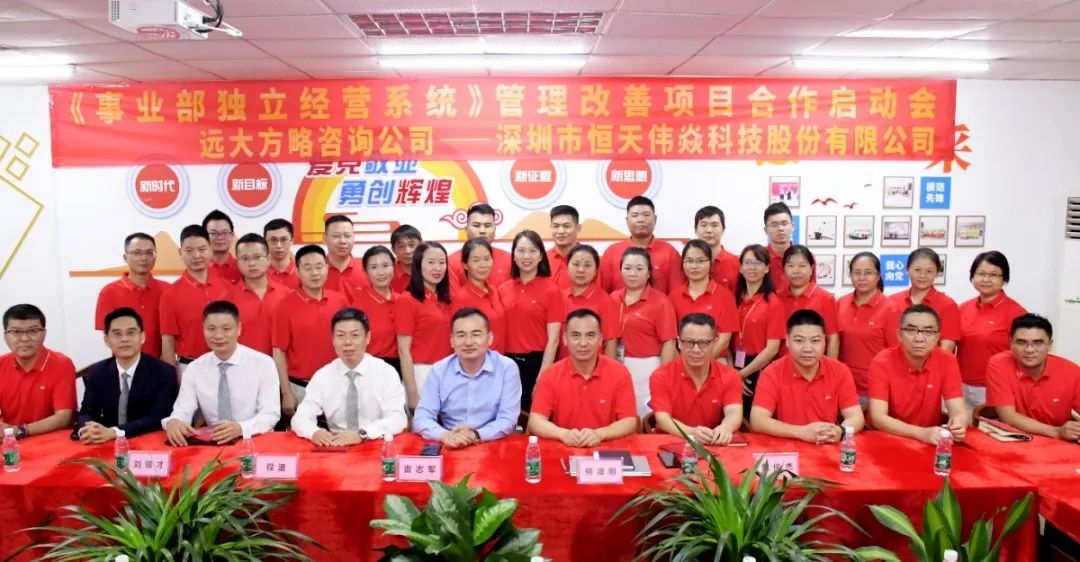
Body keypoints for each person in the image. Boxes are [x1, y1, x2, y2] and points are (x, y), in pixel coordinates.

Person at [163, 301, 280, 446]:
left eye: (226, 329)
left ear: (239, 329)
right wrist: (175, 421)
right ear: (203, 329)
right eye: (211, 329)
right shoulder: (195, 368)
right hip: (214, 443)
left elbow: (270, 414)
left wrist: (241, 428)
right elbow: (183, 409)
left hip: (256, 440)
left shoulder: (263, 363)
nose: (218, 336)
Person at [291, 308, 407, 446]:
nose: (347, 342)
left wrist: (363, 433)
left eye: (355, 335)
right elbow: (300, 417)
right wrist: (314, 432)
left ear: (367, 337)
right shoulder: (323, 376)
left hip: (374, 443)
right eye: (340, 335)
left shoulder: (386, 372)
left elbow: (398, 418)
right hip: (337, 446)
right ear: (333, 339)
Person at [413, 308, 522, 448]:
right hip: (451, 442)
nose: (468, 342)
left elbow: (508, 419)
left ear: (490, 338)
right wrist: (445, 435)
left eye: (476, 334)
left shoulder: (507, 368)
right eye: (461, 335)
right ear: (452, 341)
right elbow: (421, 417)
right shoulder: (439, 370)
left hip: (493, 443)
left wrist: (476, 434)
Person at [750, 310, 864, 443]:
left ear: (824, 342)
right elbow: (757, 420)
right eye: (799, 340)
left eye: (815, 341)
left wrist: (840, 431)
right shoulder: (772, 373)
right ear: (787, 341)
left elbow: (856, 416)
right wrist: (801, 432)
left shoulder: (840, 371)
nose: (807, 348)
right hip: (787, 446)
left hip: (827, 445)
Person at [528, 309, 637, 447]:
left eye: (590, 335)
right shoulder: (550, 375)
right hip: (563, 448)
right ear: (565, 339)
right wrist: (563, 434)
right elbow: (535, 421)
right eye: (576, 335)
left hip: (606, 449)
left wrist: (600, 434)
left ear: (600, 339)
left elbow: (629, 421)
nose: (583, 343)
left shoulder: (620, 373)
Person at [75, 308, 178, 443]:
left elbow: (157, 418)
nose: (124, 339)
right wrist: (87, 429)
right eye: (117, 334)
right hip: (105, 442)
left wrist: (114, 432)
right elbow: (86, 412)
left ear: (142, 337)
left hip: (146, 442)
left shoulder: (163, 372)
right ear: (106, 340)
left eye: (131, 333)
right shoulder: (98, 371)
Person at [868, 304, 967, 445]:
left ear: (937, 337)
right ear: (899, 335)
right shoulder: (882, 361)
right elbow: (878, 418)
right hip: (890, 438)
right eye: (911, 330)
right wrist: (921, 433)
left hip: (930, 440)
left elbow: (958, 411)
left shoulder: (947, 360)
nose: (919, 338)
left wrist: (958, 424)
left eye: (928, 332)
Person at [272, 245, 350, 416]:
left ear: (327, 268)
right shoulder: (285, 305)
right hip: (301, 387)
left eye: (319, 266)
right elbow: (279, 351)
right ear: (298, 272)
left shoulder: (340, 300)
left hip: (339, 384)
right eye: (307, 268)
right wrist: (286, 392)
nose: (315, 273)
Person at [649, 313, 743, 445]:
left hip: (714, 442)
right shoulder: (661, 376)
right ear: (679, 343)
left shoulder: (730, 376)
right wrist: (691, 432)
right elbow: (663, 419)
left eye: (703, 343)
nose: (696, 350)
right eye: (689, 342)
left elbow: (734, 412)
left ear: (714, 342)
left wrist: (726, 427)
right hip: (673, 442)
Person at [986, 314, 1080, 440]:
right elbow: (1008, 417)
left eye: (1038, 343)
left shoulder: (1071, 371)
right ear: (1011, 343)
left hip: (1058, 444)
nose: (1029, 350)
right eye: (1021, 342)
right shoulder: (999, 364)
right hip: (1014, 440)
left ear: (1050, 344)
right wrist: (1057, 432)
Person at [498, 230, 563, 410]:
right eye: (521, 251)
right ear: (513, 255)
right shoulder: (502, 289)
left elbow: (554, 340)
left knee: (533, 417)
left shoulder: (552, 291)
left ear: (541, 255)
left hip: (537, 363)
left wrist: (543, 376)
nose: (526, 256)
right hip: (506, 363)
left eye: (532, 251)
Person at [611, 247, 677, 416]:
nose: (633, 273)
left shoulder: (661, 302)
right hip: (617, 365)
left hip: (648, 368)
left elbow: (669, 342)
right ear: (620, 270)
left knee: (645, 416)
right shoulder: (612, 298)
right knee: (621, 416)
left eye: (639, 269)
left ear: (649, 273)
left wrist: (664, 376)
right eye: (627, 268)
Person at [957, 251, 1026, 410]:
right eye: (981, 273)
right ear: (972, 275)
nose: (986, 279)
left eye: (993, 275)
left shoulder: (1016, 313)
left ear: (1004, 278)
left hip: (994, 388)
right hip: (960, 386)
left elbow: (1024, 356)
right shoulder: (963, 308)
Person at [0, 304, 76, 439]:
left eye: (33, 331)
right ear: (5, 336)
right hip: (10, 440)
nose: (24, 338)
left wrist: (19, 430)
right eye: (16, 332)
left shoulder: (62, 364)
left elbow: (63, 418)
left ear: (44, 334)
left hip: (52, 440)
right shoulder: (1, 364)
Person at [160, 225, 229, 369]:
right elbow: (167, 339)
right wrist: (170, 377)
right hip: (189, 366)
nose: (196, 256)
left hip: (226, 364)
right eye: (189, 251)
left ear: (210, 249)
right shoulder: (170, 294)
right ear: (180, 252)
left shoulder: (227, 287)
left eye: (202, 249)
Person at [396, 241, 454, 409]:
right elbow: (403, 350)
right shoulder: (407, 300)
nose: (437, 268)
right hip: (421, 374)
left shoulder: (446, 299)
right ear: (418, 264)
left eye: (442, 262)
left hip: (449, 372)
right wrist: (412, 393)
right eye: (431, 262)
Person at [94, 232, 169, 358]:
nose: (143, 258)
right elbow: (110, 335)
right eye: (137, 253)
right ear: (125, 257)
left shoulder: (167, 290)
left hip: (160, 364)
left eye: (149, 253)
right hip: (124, 363)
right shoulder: (109, 292)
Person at [837, 252, 898, 403]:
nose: (862, 277)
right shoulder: (841, 303)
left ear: (878, 276)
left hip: (873, 389)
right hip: (843, 385)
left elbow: (896, 353)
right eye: (857, 273)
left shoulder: (890, 308)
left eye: (868, 273)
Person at [732, 244, 786, 414]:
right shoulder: (736, 300)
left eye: (758, 263)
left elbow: (772, 348)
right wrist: (733, 373)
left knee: (755, 417)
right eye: (748, 263)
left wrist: (742, 374)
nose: (752, 268)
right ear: (741, 268)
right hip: (734, 364)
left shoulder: (774, 303)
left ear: (767, 268)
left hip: (760, 368)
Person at [669, 240, 738, 360]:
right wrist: (685, 364)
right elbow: (670, 338)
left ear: (711, 263)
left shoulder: (725, 296)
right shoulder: (674, 296)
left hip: (715, 359)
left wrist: (700, 362)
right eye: (689, 261)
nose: (694, 266)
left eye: (700, 261)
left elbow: (724, 340)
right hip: (682, 361)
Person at [600, 196, 683, 294]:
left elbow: (676, 293)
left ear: (655, 219)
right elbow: (602, 293)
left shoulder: (669, 252)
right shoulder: (611, 252)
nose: (641, 220)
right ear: (627, 220)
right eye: (635, 215)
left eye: (646, 215)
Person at [223, 234, 288, 356]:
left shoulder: (287, 294)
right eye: (245, 258)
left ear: (268, 259)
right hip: (243, 364)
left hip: (281, 364)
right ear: (237, 262)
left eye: (257, 257)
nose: (252, 263)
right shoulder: (226, 299)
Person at [889, 248, 960, 352]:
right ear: (907, 269)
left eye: (929, 271)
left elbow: (947, 347)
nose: (922, 275)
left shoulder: (948, 305)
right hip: (894, 361)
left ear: (937, 272)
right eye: (917, 270)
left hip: (932, 362)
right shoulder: (892, 301)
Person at [777, 245, 839, 358]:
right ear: (784, 269)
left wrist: (830, 367)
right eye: (790, 266)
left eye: (802, 266)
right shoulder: (777, 297)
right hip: (782, 364)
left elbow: (833, 338)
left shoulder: (825, 298)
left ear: (811, 268)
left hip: (813, 363)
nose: (796, 271)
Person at [350, 246, 401, 373]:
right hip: (368, 366)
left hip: (400, 366)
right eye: (373, 267)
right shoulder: (358, 303)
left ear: (394, 267)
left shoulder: (402, 301)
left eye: (385, 265)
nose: (381, 272)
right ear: (365, 272)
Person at [560, 244, 617, 358]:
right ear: (567, 267)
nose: (581, 270)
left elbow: (610, 344)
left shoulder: (606, 301)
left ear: (596, 271)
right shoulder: (559, 298)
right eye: (576, 264)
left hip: (594, 366)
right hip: (563, 365)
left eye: (587, 265)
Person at [452, 238, 507, 352]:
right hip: (478, 360)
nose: (483, 265)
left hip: (499, 359)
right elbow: (459, 340)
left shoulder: (493, 291)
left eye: (487, 259)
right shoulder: (462, 298)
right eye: (476, 260)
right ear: (465, 265)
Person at [447, 203, 513, 287]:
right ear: (466, 229)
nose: (482, 231)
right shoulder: (451, 262)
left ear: (494, 230)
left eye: (487, 226)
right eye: (476, 225)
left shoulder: (509, 260)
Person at [763, 202, 809, 295]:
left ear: (793, 226)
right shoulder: (759, 258)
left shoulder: (806, 257)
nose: (780, 228)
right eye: (774, 225)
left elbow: (811, 293)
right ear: (766, 230)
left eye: (784, 223)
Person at [693, 205, 740, 293]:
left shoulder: (736, 263)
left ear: (723, 229)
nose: (709, 230)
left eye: (714, 225)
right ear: (695, 229)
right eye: (703, 225)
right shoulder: (687, 264)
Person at [323, 214, 367, 295]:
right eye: (336, 236)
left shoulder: (366, 268)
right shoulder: (316, 270)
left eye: (347, 236)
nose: (342, 241)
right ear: (325, 238)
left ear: (353, 237)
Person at [202, 209, 242, 285]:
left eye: (224, 233)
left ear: (232, 235)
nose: (220, 237)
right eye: (213, 233)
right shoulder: (198, 269)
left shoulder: (243, 268)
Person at [548, 205, 582, 289]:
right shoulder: (542, 260)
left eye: (566, 226)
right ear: (550, 228)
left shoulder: (590, 259)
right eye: (556, 226)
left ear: (578, 228)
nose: (560, 231)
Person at [263, 218, 299, 290]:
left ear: (292, 241)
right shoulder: (257, 273)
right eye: (273, 240)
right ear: (265, 242)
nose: (278, 245)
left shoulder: (304, 273)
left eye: (284, 239)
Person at [389, 224, 422, 293]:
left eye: (412, 245)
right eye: (401, 246)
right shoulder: (387, 274)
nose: (407, 251)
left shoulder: (429, 271)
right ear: (393, 250)